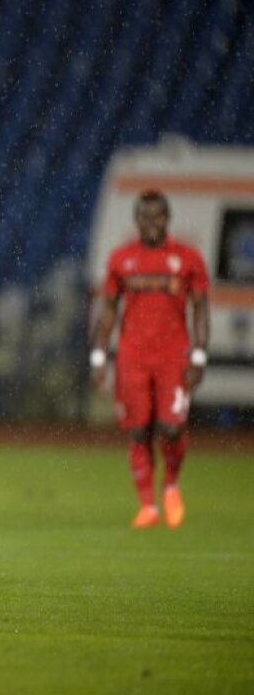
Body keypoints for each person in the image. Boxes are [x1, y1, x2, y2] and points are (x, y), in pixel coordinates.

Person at [90, 190, 210, 529]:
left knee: (171, 427)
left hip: (174, 355)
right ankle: (148, 506)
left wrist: (199, 355)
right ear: (137, 220)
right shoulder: (122, 258)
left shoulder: (187, 258)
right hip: (133, 357)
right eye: (145, 217)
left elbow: (200, 307)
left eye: (157, 216)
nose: (151, 223)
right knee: (139, 430)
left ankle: (171, 485)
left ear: (167, 219)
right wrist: (99, 356)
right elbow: (109, 311)